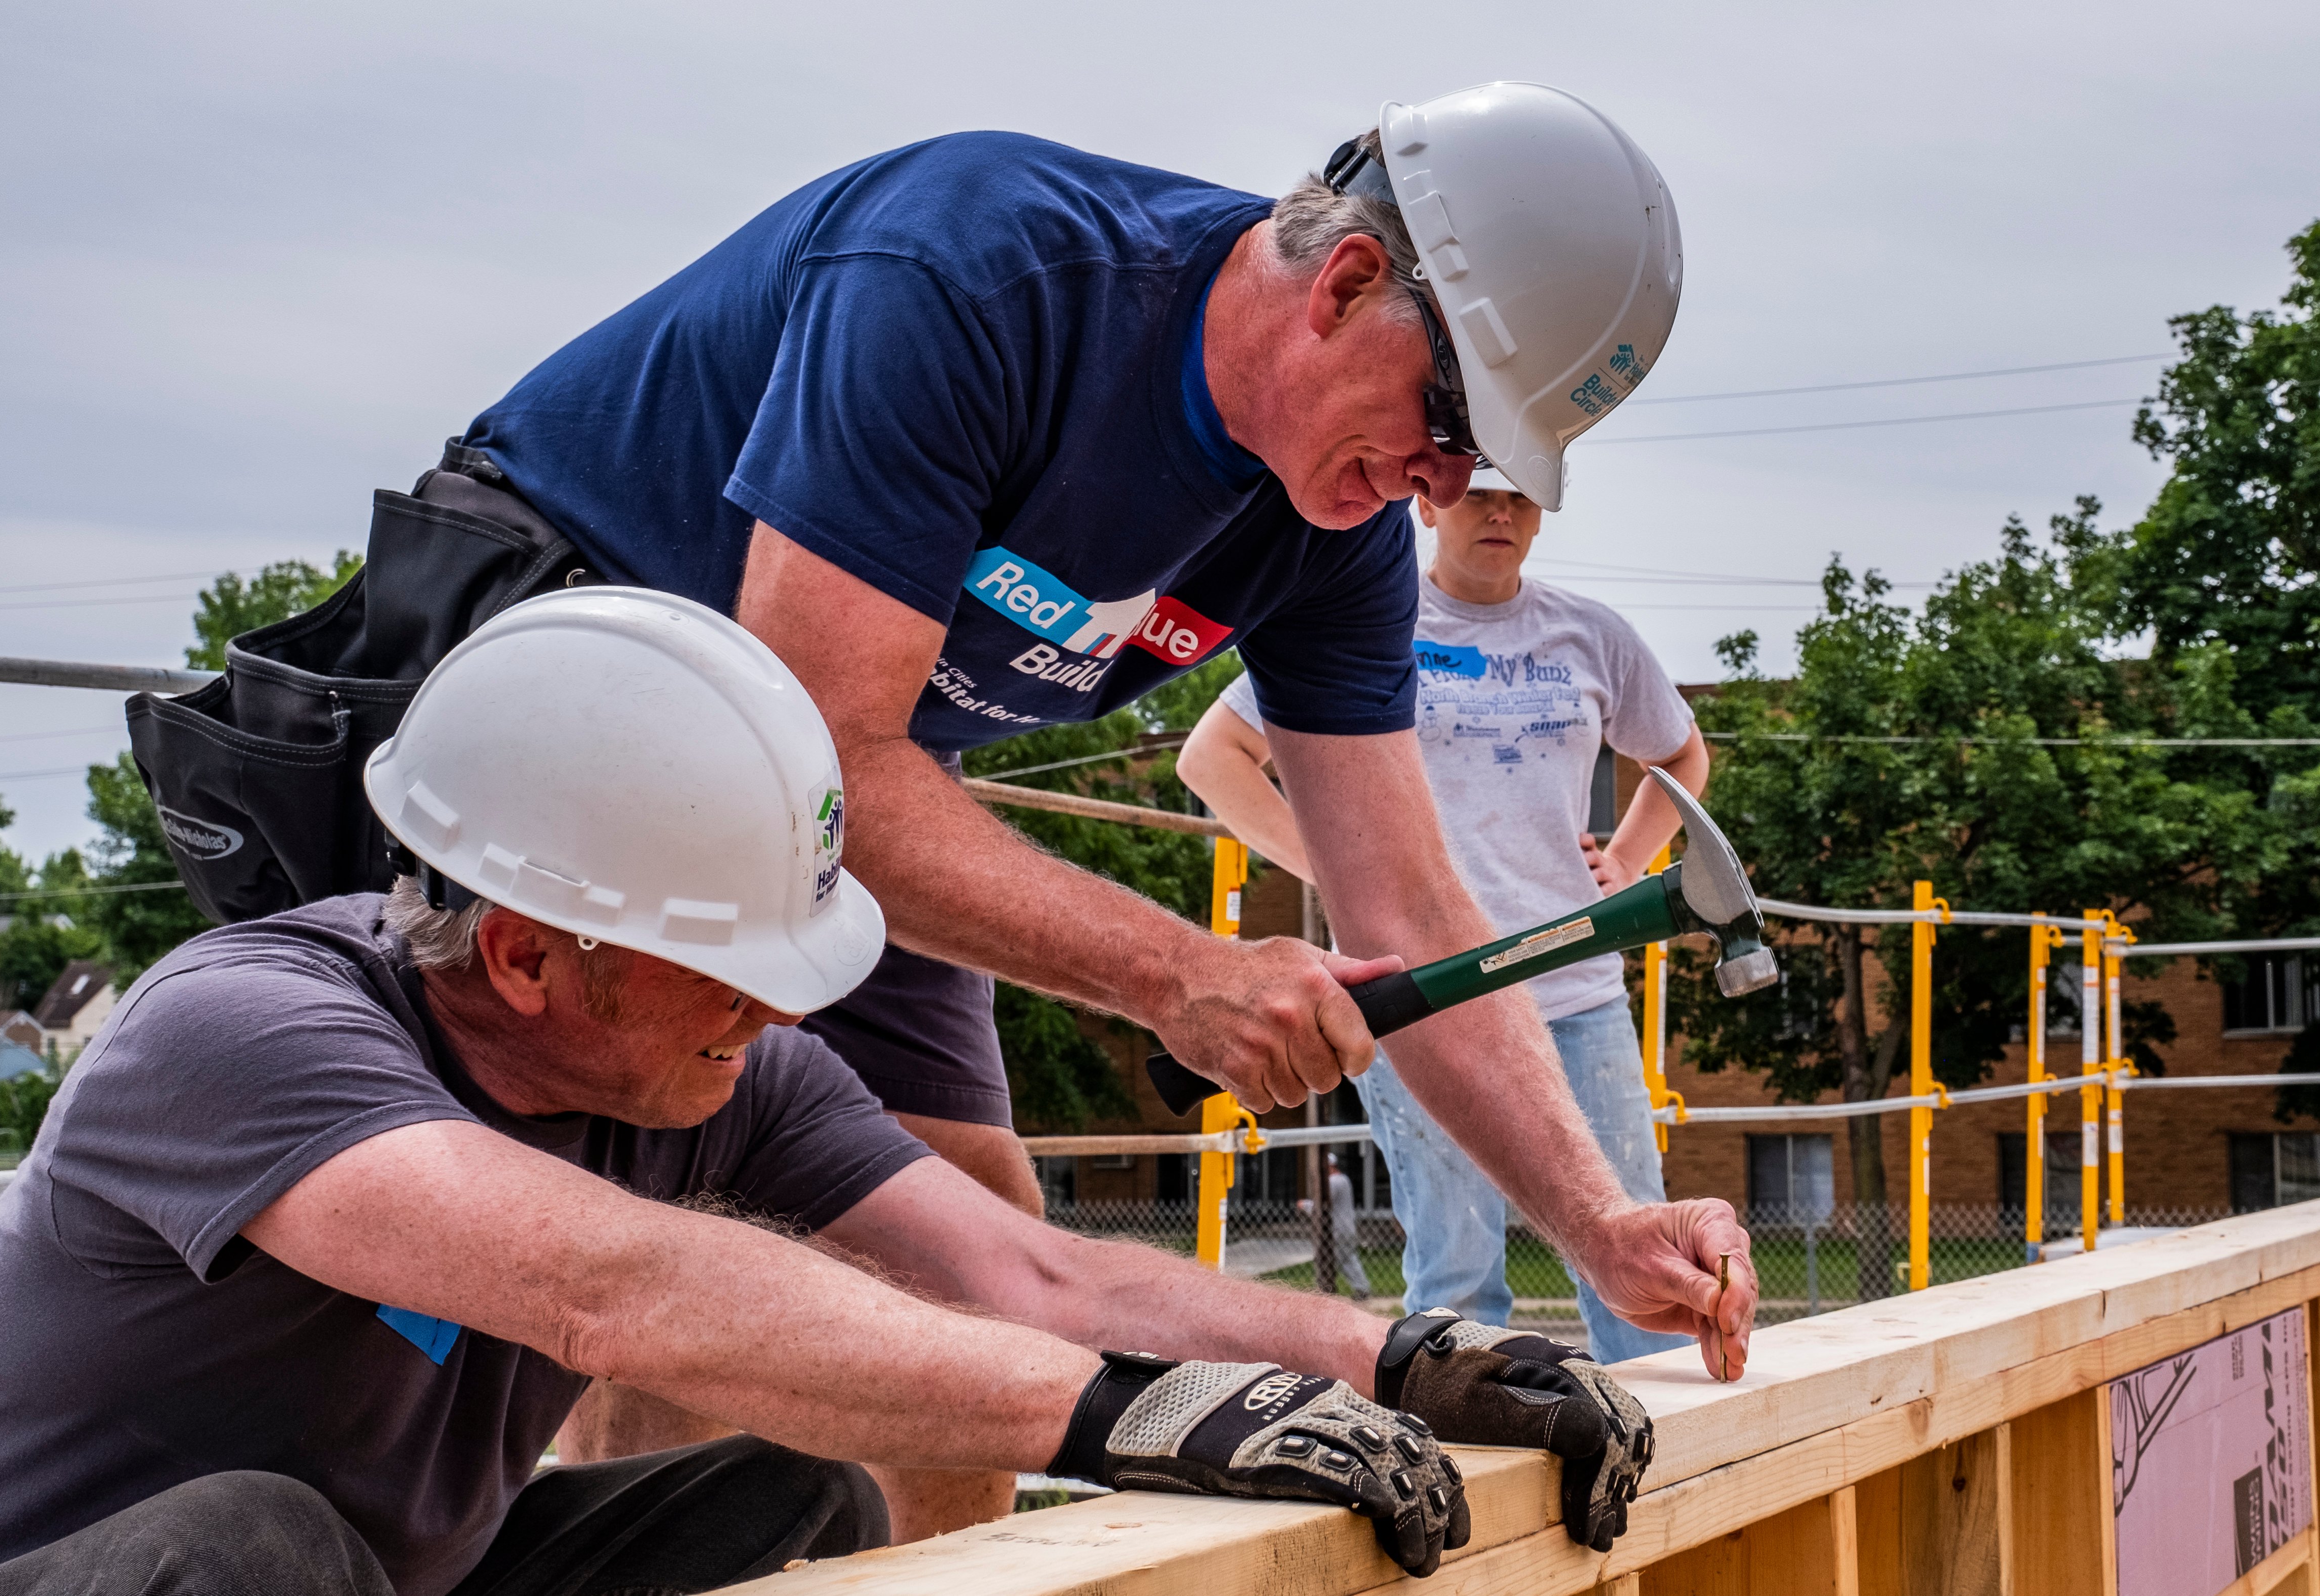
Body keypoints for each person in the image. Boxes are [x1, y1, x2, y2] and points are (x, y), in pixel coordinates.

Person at [133, 83, 1756, 1432]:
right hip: (577, 679)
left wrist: (1595, 1219)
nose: (1433, 487)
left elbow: (1407, 893)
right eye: (1445, 429)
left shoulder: (1324, 526)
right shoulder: (978, 275)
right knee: (653, 1239)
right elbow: (819, 740)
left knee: (971, 1224)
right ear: (1340, 289)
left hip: (839, 776)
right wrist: (1173, 970)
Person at [0, 593, 1658, 1596]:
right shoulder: (246, 1032)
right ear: (527, 953)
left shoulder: (691, 1059)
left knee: (795, 1504)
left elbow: (1025, 1275)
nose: (781, 1002)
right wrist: (1121, 1414)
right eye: (734, 953)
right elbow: (616, 1290)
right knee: (250, 1544)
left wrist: (1400, 1361)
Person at [1176, 467, 1710, 1362]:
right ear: (1427, 502)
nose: (1498, 513)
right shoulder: (1371, 621)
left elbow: (1681, 757)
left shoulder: (1588, 636)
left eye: (1520, 499)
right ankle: (1475, 1477)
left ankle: (1666, 1476)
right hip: (1420, 991)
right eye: (1477, 493)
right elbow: (1213, 756)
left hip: (1574, 985)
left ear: (1542, 516)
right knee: (1457, 1275)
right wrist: (1335, 868)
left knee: (1635, 1249)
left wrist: (1622, 864)